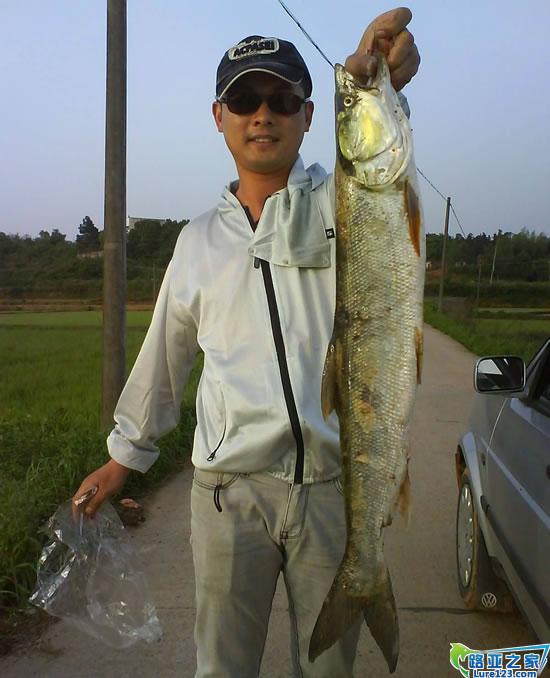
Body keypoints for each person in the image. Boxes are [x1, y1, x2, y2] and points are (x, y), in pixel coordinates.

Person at [73, 7, 420, 677]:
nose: (263, 114)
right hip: (228, 495)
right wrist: (123, 458)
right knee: (223, 668)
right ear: (219, 116)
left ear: (309, 115)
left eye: (282, 99)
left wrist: (377, 86)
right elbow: (166, 356)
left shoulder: (343, 203)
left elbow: (380, 168)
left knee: (328, 669)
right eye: (245, 99)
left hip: (332, 486)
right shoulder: (197, 240)